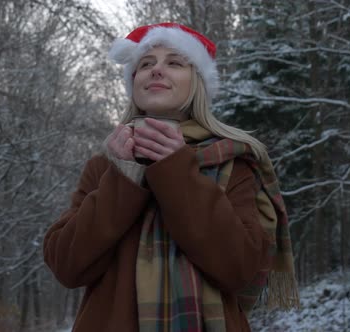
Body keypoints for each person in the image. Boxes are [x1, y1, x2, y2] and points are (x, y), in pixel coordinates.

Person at [43, 22, 299, 332]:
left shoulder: (233, 162)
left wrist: (177, 170)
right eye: (145, 64)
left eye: (175, 63)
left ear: (197, 84)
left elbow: (241, 268)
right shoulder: (104, 167)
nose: (156, 70)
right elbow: (67, 265)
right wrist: (124, 175)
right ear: (133, 82)